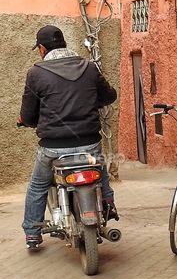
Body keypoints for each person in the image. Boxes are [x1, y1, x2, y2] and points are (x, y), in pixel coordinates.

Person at [19, 25, 118, 250]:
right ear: (64, 44)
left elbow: (28, 114)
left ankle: (33, 232)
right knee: (100, 172)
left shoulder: (36, 73)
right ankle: (109, 205)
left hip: (53, 147)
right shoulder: (89, 68)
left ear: (42, 49)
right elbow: (109, 96)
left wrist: (27, 121)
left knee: (38, 185)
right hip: (89, 142)